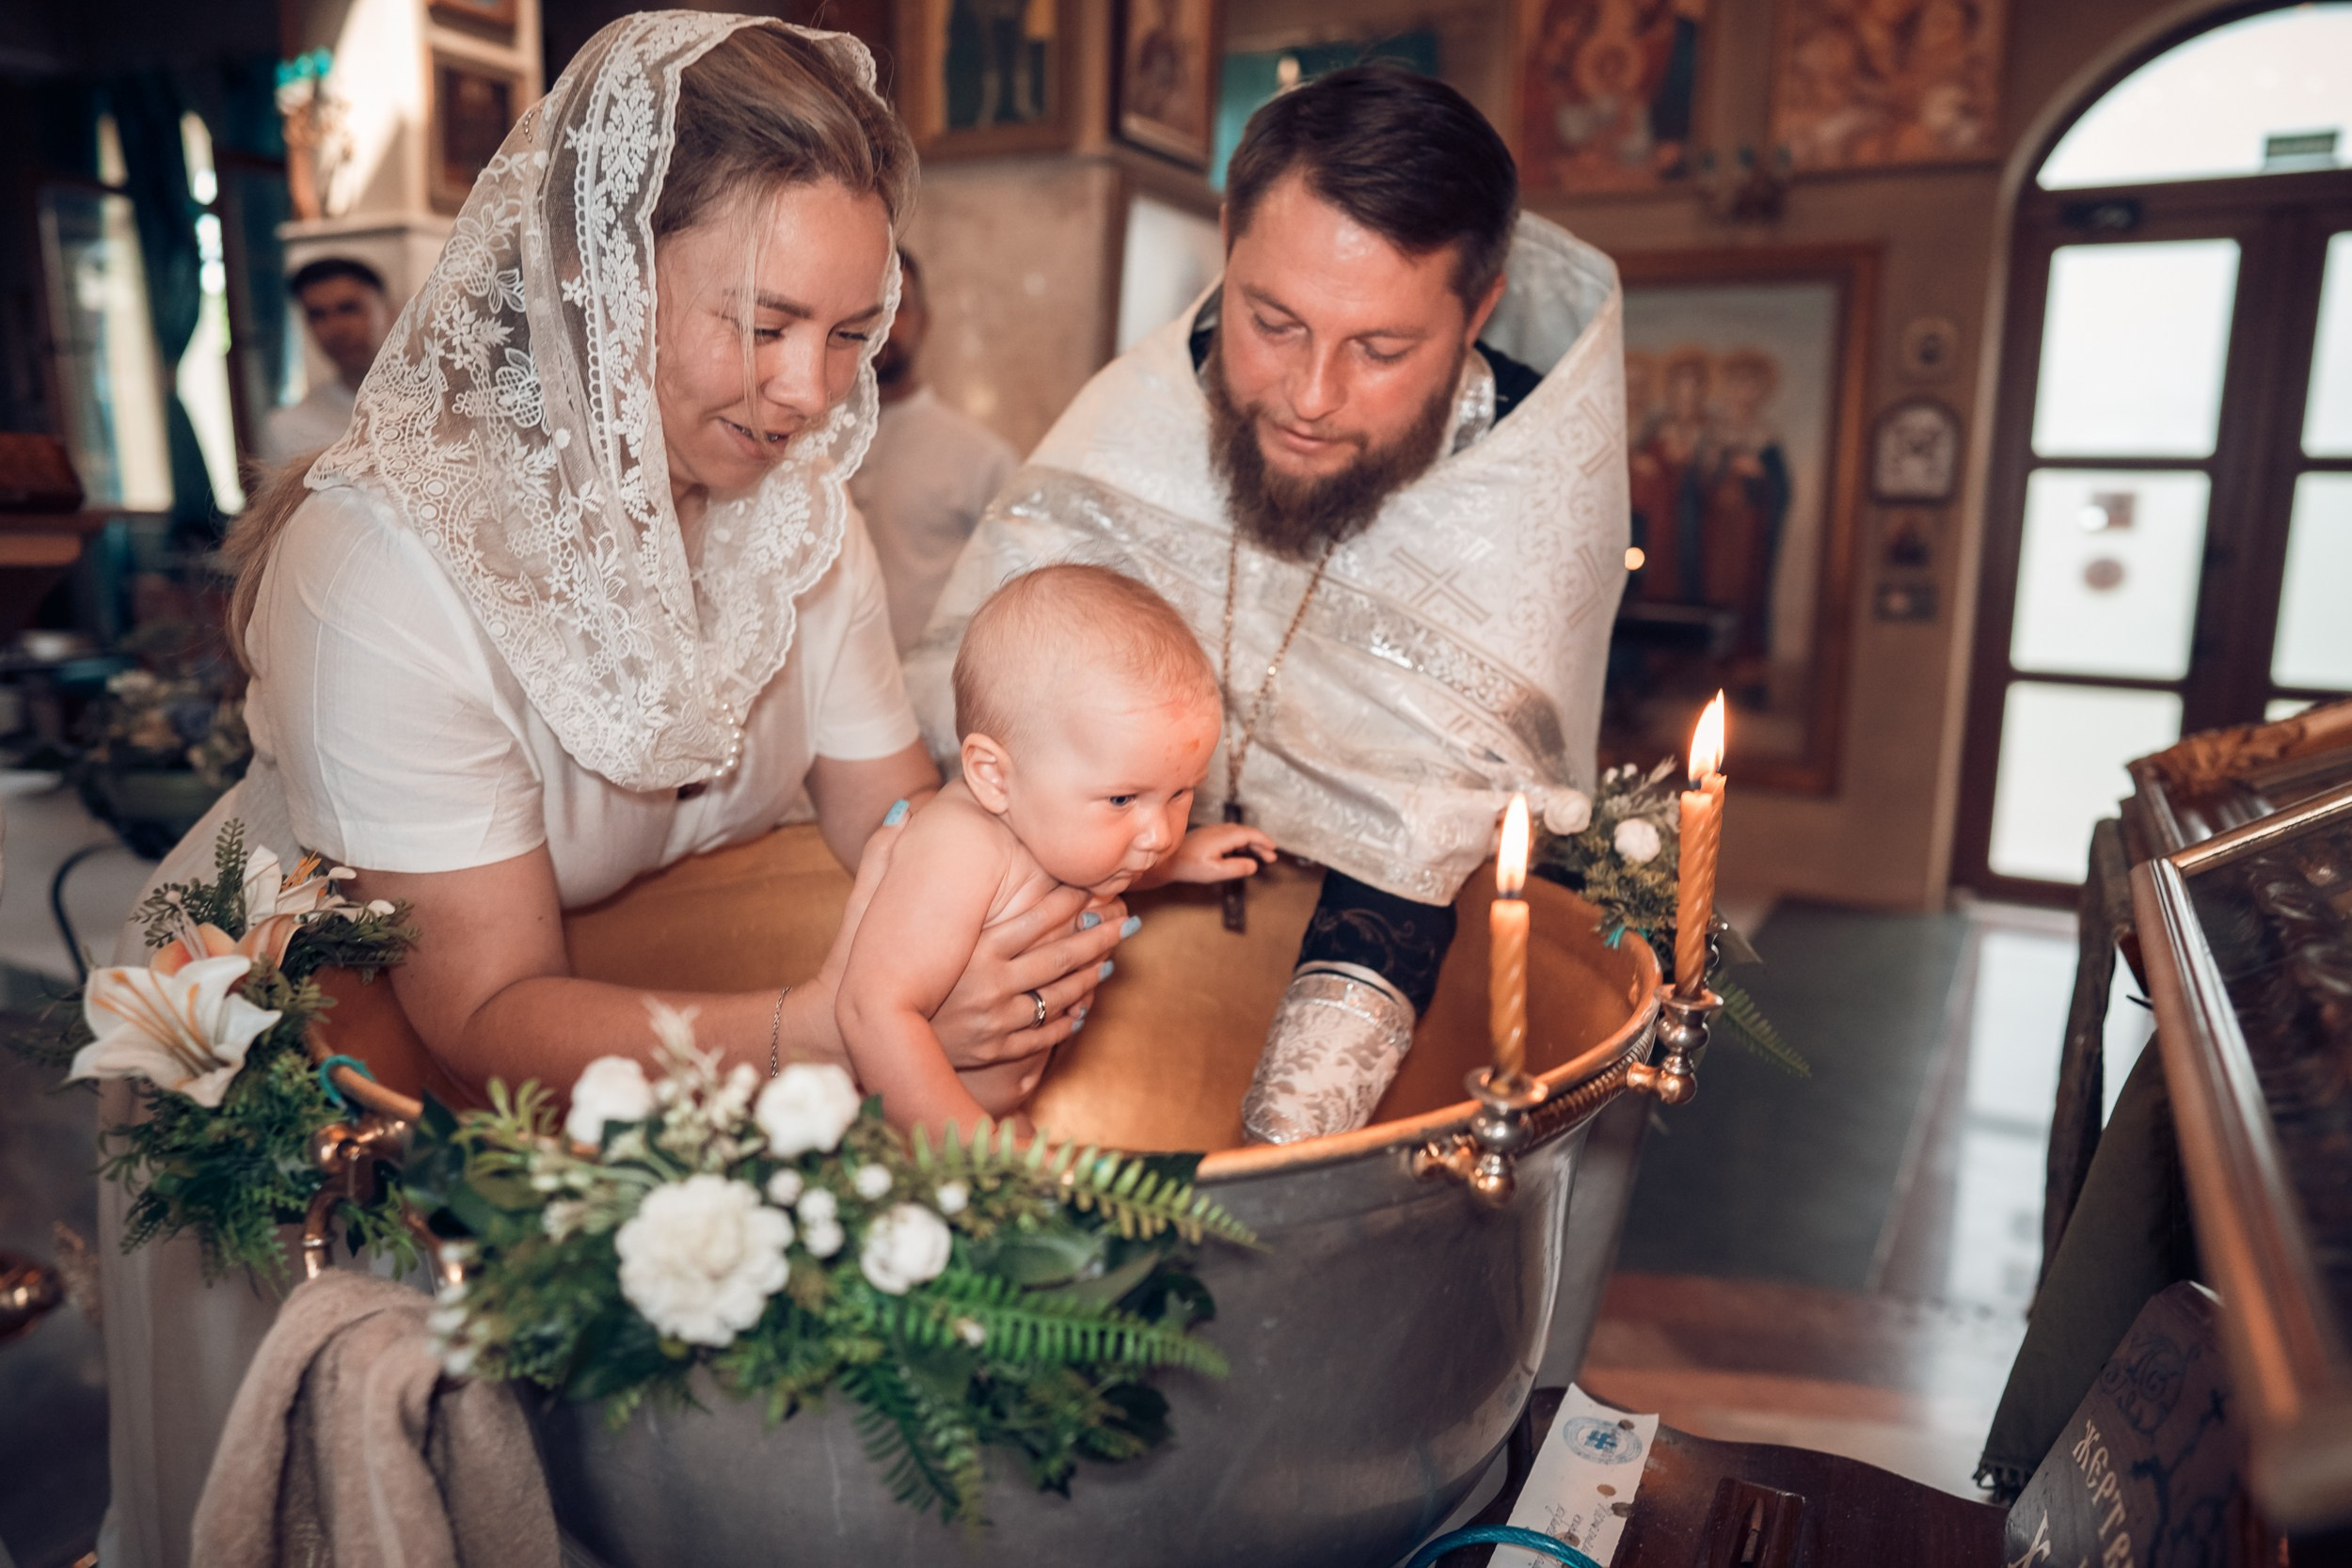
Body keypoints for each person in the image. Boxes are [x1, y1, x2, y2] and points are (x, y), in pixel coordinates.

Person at [95, 20, 1125, 1567]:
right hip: (325, 1078)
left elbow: (891, 820)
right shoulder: (392, 568)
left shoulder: (801, 523)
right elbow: (481, 1007)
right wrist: (836, 1024)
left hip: (640, 1035)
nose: (807, 391)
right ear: (597, 270)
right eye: (765, 322)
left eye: (852, 333)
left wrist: (997, 914)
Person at [908, 65, 1629, 1144]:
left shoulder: (1526, 482)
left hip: (1378, 1031)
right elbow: (988, 727)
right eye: (1273, 321)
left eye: (1381, 349)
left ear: (1479, 308)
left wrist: (1271, 1171)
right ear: (1229, 237)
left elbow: (1411, 849)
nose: (1310, 396)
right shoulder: (1141, 411)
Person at [839, 565, 1274, 1138]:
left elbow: (1093, 864)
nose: (1157, 833)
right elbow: (871, 1013)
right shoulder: (959, 847)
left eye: (1180, 793)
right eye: (1124, 798)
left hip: (1000, 1118)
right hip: (906, 1136)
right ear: (993, 775)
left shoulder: (1050, 820)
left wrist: (1178, 862)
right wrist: (978, 1155)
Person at [847, 248, 1018, 653]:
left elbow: (1013, 590)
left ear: (926, 320)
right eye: (869, 309)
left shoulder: (981, 457)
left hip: (926, 698)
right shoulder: (805, 439)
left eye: (898, 306)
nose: (883, 325)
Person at [257, 256, 392, 462]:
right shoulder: (288, 428)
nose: (335, 329)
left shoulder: (446, 403)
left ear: (389, 311)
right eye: (317, 315)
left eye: (349, 309)